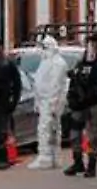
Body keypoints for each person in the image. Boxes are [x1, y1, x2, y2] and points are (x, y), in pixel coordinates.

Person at [63, 38, 97, 179]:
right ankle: (78, 162)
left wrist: (88, 96)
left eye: (93, 45)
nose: (90, 48)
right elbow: (74, 79)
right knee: (74, 134)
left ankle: (91, 166)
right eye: (89, 45)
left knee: (92, 136)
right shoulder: (80, 63)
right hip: (78, 105)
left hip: (92, 105)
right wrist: (73, 97)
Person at [28, 36, 68, 170]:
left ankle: (47, 157)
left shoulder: (57, 63)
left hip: (50, 102)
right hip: (44, 101)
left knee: (47, 129)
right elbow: (40, 82)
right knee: (48, 129)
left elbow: (55, 86)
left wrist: (52, 104)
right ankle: (51, 157)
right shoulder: (47, 62)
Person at [0, 38, 22, 169]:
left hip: (4, 102)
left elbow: (17, 84)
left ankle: (1, 159)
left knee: (2, 131)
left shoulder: (8, 64)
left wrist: (14, 100)